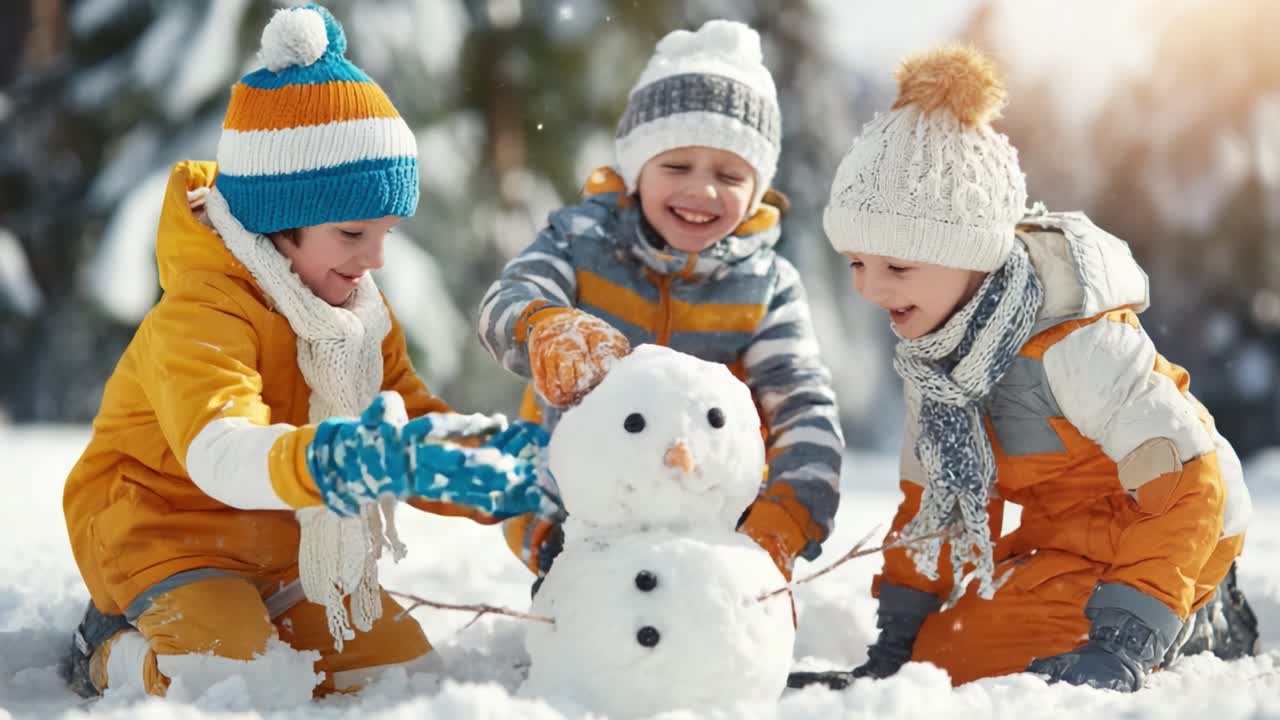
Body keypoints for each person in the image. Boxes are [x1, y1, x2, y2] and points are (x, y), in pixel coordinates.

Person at [59, 4, 544, 703]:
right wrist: (334, 460)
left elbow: (401, 418)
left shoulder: (353, 313)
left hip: (281, 550)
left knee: (405, 679)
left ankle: (255, 617)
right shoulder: (204, 311)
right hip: (162, 537)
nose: (374, 258)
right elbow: (222, 450)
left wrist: (484, 468)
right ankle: (112, 652)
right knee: (239, 684)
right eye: (352, 233)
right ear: (276, 220)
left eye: (385, 233)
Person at [789, 45, 1255, 692]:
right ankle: (1122, 612)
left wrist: (1126, 634)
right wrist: (897, 646)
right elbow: (935, 509)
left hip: (1180, 527)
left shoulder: (1075, 344)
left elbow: (1189, 482)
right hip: (1070, 542)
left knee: (985, 666)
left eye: (896, 267)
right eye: (857, 265)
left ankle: (1191, 617)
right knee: (941, 655)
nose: (870, 290)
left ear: (973, 255)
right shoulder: (940, 364)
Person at [477, 19, 844, 584]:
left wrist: (784, 520)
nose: (702, 191)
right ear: (636, 169)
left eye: (730, 173)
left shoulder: (768, 284)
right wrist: (545, 324)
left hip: (712, 515)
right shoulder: (581, 242)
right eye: (676, 165)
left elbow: (801, 403)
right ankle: (575, 588)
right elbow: (509, 298)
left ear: (758, 186)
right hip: (572, 505)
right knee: (602, 618)